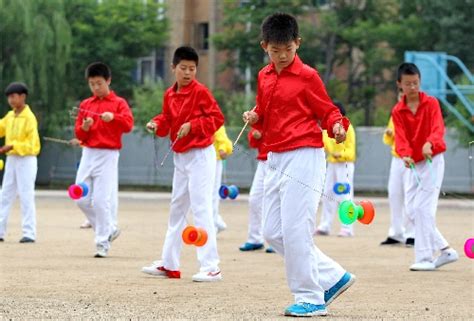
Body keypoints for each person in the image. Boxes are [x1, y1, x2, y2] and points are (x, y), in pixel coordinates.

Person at [243, 13, 355, 317]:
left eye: (288, 50)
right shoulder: (264, 76)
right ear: (264, 45)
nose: (281, 57)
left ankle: (310, 297)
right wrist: (255, 117)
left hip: (304, 154)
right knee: (272, 232)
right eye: (275, 51)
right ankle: (332, 277)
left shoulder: (308, 76)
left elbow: (327, 110)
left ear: (298, 44)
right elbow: (264, 111)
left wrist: (337, 126)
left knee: (296, 229)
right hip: (273, 157)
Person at [142, 46, 224, 282]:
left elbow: (217, 118)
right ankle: (169, 264)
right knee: (177, 208)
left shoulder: (201, 92)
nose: (188, 73)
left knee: (201, 208)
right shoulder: (169, 94)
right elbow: (167, 119)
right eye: (183, 68)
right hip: (180, 156)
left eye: (192, 69)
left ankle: (211, 266)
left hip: (200, 154)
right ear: (173, 68)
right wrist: (156, 123)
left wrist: (194, 125)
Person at [391, 62, 458, 271]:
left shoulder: (431, 103)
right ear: (399, 84)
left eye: (416, 83)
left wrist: (431, 142)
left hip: (433, 161)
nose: (413, 87)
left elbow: (438, 128)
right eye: (408, 84)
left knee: (423, 208)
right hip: (414, 163)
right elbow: (400, 138)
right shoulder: (397, 111)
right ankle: (445, 250)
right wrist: (406, 155)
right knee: (411, 210)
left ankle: (425, 257)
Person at [73, 62, 134, 258]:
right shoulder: (86, 105)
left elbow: (128, 125)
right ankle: (109, 228)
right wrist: (86, 127)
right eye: (92, 84)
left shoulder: (119, 103)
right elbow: (79, 134)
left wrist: (113, 117)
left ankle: (101, 243)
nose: (96, 87)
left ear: (108, 80)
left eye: (99, 83)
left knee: (101, 200)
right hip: (89, 153)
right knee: (80, 197)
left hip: (108, 155)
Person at [0, 82, 40, 243]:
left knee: (26, 195)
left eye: (13, 96)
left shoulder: (29, 118)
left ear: (23, 97)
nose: (10, 100)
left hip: (27, 159)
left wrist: (13, 145)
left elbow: (33, 145)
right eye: (9, 97)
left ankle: (29, 233)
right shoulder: (10, 116)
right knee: (5, 195)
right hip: (12, 159)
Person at [316, 102, 356, 237]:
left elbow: (351, 150)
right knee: (327, 193)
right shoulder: (327, 129)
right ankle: (325, 225)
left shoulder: (348, 128)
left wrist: (342, 154)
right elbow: (323, 144)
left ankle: (347, 227)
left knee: (344, 195)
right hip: (332, 164)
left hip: (344, 165)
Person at [380, 90, 414, 246]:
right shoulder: (395, 113)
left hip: (410, 158)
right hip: (397, 158)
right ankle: (396, 232)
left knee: (410, 195)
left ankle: (411, 233)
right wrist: (389, 133)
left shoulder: (415, 113)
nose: (402, 98)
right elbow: (388, 140)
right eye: (400, 95)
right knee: (394, 194)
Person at [239, 127, 274, 253]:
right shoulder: (260, 113)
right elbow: (252, 142)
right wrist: (256, 136)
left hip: (278, 160)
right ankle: (255, 239)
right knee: (254, 199)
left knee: (275, 201)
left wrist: (263, 133)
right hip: (263, 162)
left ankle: (277, 240)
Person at [212, 125, 233, 233]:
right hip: (201, 161)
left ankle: (214, 225)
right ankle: (217, 222)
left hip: (214, 160)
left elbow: (224, 141)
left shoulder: (216, 122)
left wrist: (222, 149)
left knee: (213, 194)